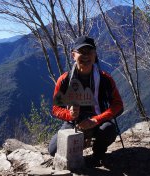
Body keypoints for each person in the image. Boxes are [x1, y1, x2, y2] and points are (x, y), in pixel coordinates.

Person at [48, 36, 124, 166]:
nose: (86, 56)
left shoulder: (105, 79)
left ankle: (98, 154)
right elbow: (55, 109)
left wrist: (96, 120)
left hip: (97, 121)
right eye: (81, 52)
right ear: (73, 55)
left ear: (95, 55)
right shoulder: (65, 80)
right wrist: (69, 114)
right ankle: (81, 142)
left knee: (109, 129)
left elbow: (118, 105)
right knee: (53, 150)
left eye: (89, 52)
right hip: (73, 122)